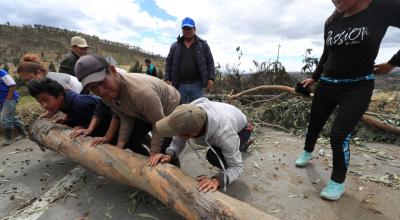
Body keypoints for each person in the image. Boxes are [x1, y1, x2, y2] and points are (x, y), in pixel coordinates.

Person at [295, 0, 400, 201]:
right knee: (314, 123)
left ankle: (337, 181)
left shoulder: (384, 7)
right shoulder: (332, 20)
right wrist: (314, 78)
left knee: (338, 135)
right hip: (327, 83)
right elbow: (327, 53)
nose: (335, 1)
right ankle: (308, 151)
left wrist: (393, 63)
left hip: (358, 85)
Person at [74, 54, 181, 164]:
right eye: (92, 87)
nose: (100, 90)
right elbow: (125, 116)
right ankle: (145, 166)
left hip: (169, 106)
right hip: (145, 108)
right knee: (130, 141)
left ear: (113, 71)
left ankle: (173, 165)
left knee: (164, 153)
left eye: (101, 82)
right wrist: (120, 145)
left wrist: (154, 153)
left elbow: (159, 124)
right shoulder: (107, 95)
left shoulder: (142, 93)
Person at [152, 97, 254, 193]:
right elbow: (178, 139)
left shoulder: (225, 135)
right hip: (225, 118)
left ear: (192, 134)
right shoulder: (189, 113)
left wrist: (217, 180)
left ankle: (241, 145)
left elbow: (237, 167)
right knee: (225, 149)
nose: (176, 135)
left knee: (213, 156)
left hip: (244, 129)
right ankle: (240, 146)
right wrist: (169, 154)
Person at [27, 78, 119, 147]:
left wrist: (84, 127)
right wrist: (68, 121)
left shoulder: (79, 104)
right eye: (40, 102)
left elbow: (103, 118)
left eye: (46, 100)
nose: (44, 105)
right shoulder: (64, 102)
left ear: (59, 95)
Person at [165, 17, 215, 103]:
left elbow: (210, 62)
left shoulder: (203, 45)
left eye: (189, 28)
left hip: (197, 85)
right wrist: (167, 78)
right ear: (182, 30)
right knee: (179, 110)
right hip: (179, 85)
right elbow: (169, 63)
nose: (187, 31)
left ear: (194, 29)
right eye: (185, 29)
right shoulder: (175, 46)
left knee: (198, 110)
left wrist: (211, 78)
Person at [17, 54, 83, 94]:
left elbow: (70, 99)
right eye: (25, 81)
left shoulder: (53, 81)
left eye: (29, 79)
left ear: (39, 73)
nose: (28, 84)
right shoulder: (44, 81)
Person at [0, 69, 27, 146]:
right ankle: (24, 134)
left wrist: (8, 98)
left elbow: (12, 85)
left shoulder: (2, 73)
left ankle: (8, 139)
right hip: (1, 100)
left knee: (5, 118)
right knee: (11, 118)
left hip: (9, 98)